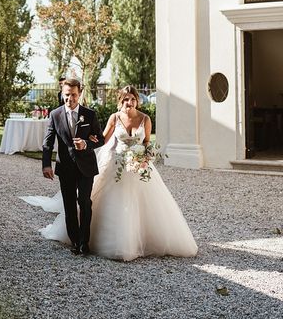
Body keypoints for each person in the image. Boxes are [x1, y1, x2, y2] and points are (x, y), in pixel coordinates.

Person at [24, 85, 198, 261]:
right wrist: (89, 141)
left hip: (139, 167)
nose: (128, 102)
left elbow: (146, 142)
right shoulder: (114, 118)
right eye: (125, 99)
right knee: (106, 202)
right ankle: (85, 242)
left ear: (137, 100)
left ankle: (142, 239)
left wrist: (144, 157)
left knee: (143, 204)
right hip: (117, 166)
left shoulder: (145, 119)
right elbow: (101, 139)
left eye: (132, 99)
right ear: (120, 101)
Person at [40, 79, 104, 255]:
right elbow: (48, 143)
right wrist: (46, 165)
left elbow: (101, 138)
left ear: (79, 94)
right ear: (62, 93)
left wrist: (86, 144)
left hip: (86, 167)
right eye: (67, 95)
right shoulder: (55, 114)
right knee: (69, 206)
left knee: (84, 202)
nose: (70, 98)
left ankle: (84, 243)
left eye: (74, 95)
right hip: (65, 167)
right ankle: (75, 242)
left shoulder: (89, 114)